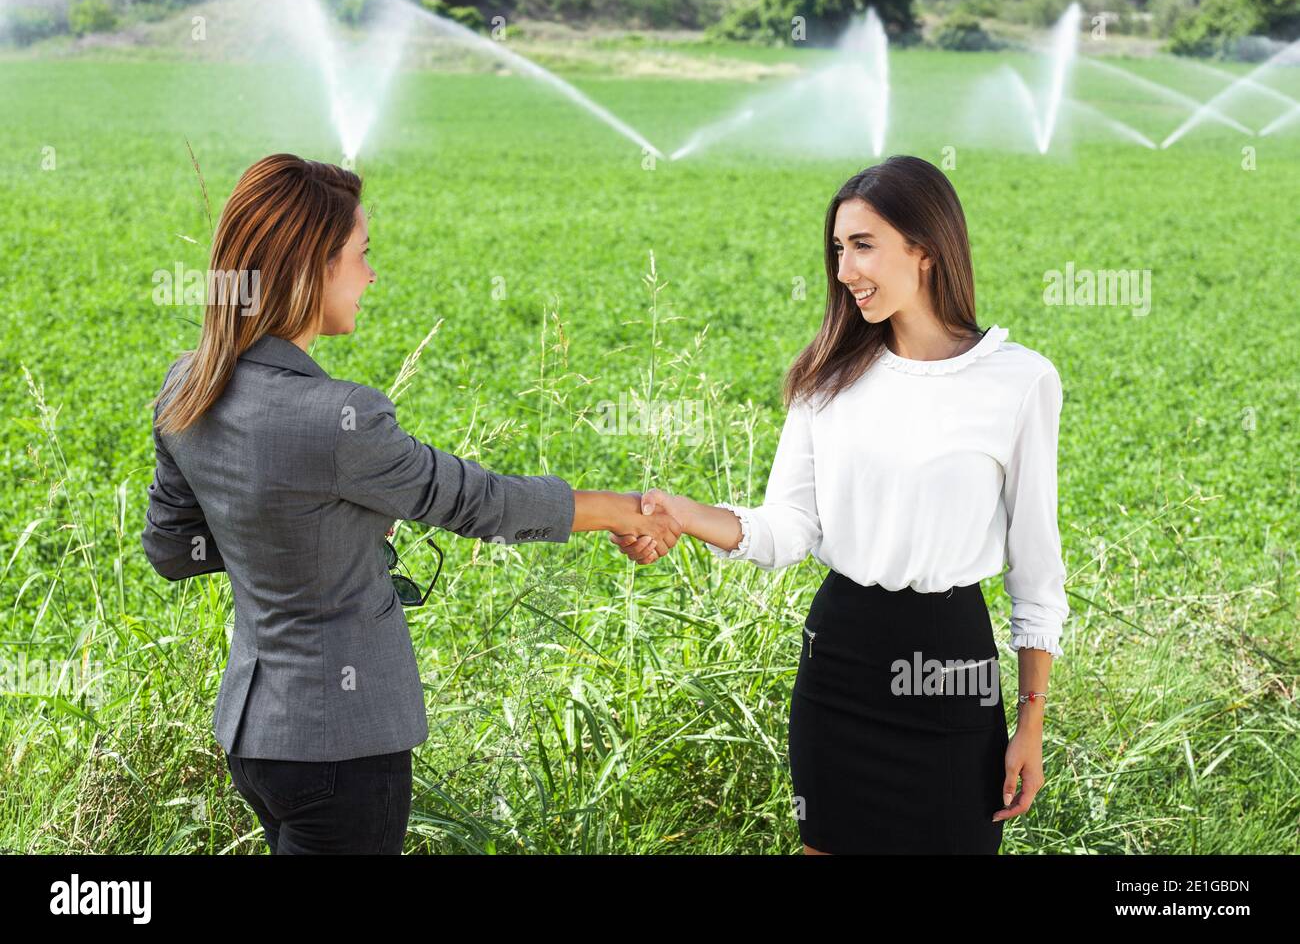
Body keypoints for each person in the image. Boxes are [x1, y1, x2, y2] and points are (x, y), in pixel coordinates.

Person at [141, 153, 680, 854]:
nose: (370, 276)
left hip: (257, 740)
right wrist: (623, 509)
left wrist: (296, 529)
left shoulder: (189, 385)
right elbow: (479, 502)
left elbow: (169, 549)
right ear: (310, 270)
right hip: (343, 748)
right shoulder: (340, 417)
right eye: (361, 256)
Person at [613, 155, 1067, 854]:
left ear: (925, 249)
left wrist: (1032, 721)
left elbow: (1036, 569)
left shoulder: (1020, 381)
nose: (844, 270)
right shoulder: (827, 377)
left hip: (953, 669)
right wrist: (682, 512)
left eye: (862, 246)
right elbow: (786, 529)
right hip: (842, 666)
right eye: (837, 249)